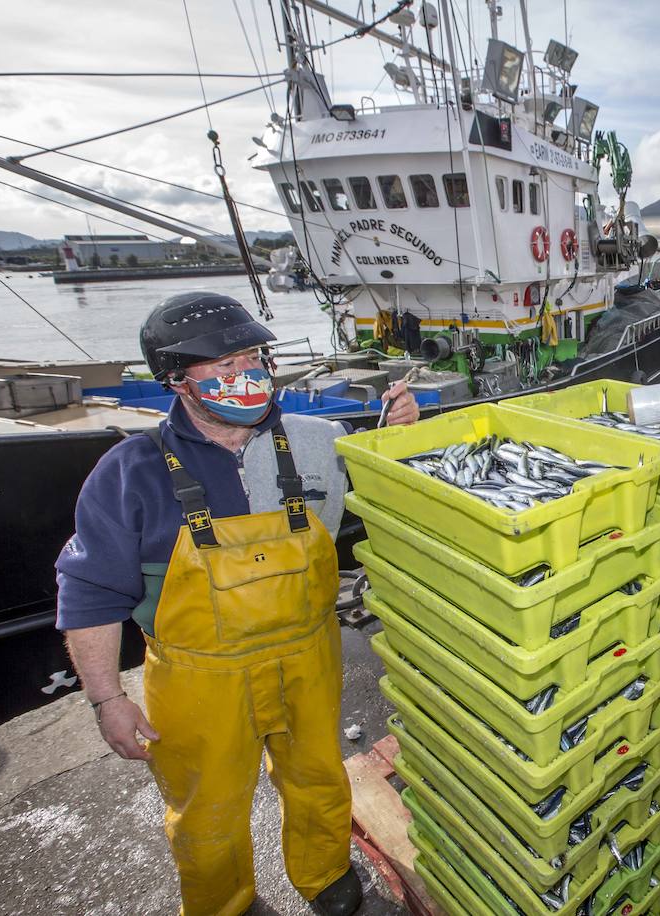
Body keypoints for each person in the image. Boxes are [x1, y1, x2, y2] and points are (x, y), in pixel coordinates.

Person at [56, 292, 420, 916]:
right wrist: (108, 700)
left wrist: (398, 439)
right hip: (199, 676)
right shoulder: (129, 471)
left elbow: (385, 500)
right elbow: (89, 596)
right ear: (177, 381)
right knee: (207, 808)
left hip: (309, 653)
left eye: (251, 358)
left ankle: (326, 875)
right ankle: (224, 903)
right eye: (221, 368)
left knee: (317, 778)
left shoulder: (320, 440)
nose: (244, 376)